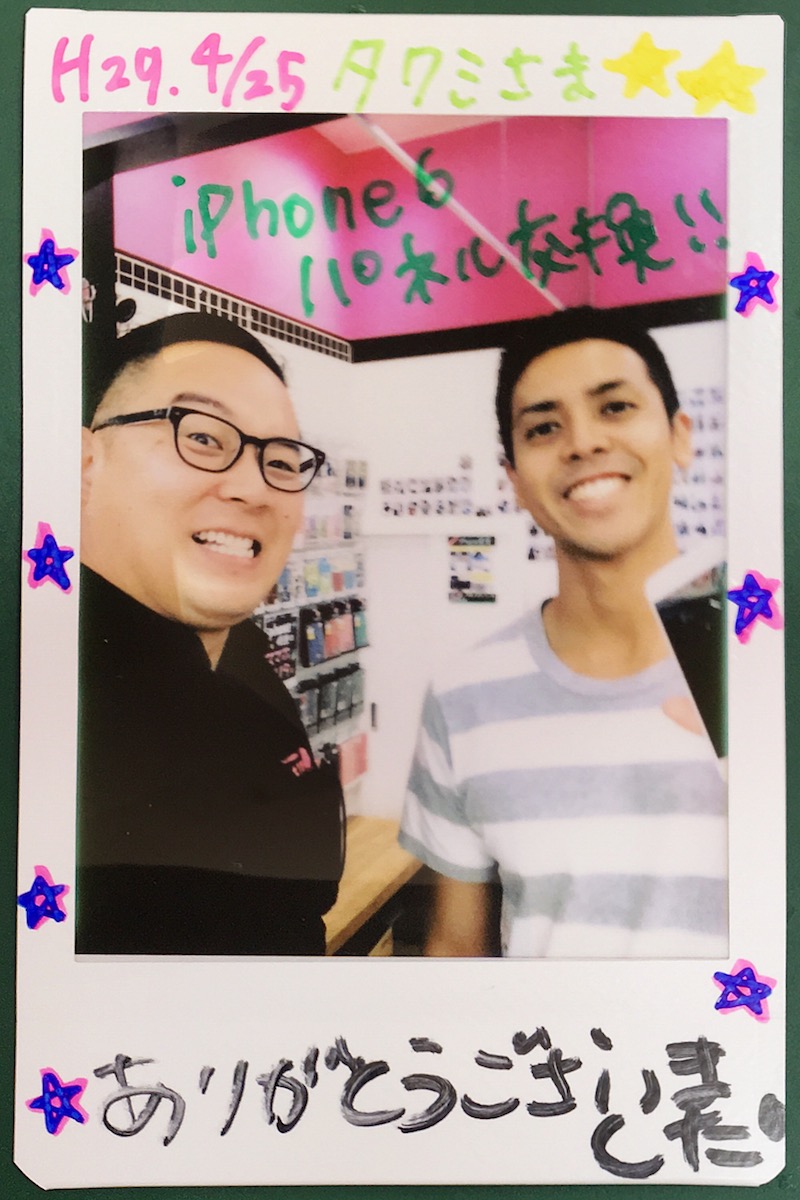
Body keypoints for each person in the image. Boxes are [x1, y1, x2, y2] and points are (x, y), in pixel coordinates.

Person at [399, 306, 727, 959]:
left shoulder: (767, 658)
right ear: (516, 481)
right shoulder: (463, 697)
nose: (583, 442)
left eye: (615, 407)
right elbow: (455, 951)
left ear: (680, 436)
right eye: (544, 427)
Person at [77, 313, 344, 955]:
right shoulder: (50, 700)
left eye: (282, 460)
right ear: (83, 464)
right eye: (200, 436)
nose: (254, 488)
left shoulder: (243, 660)